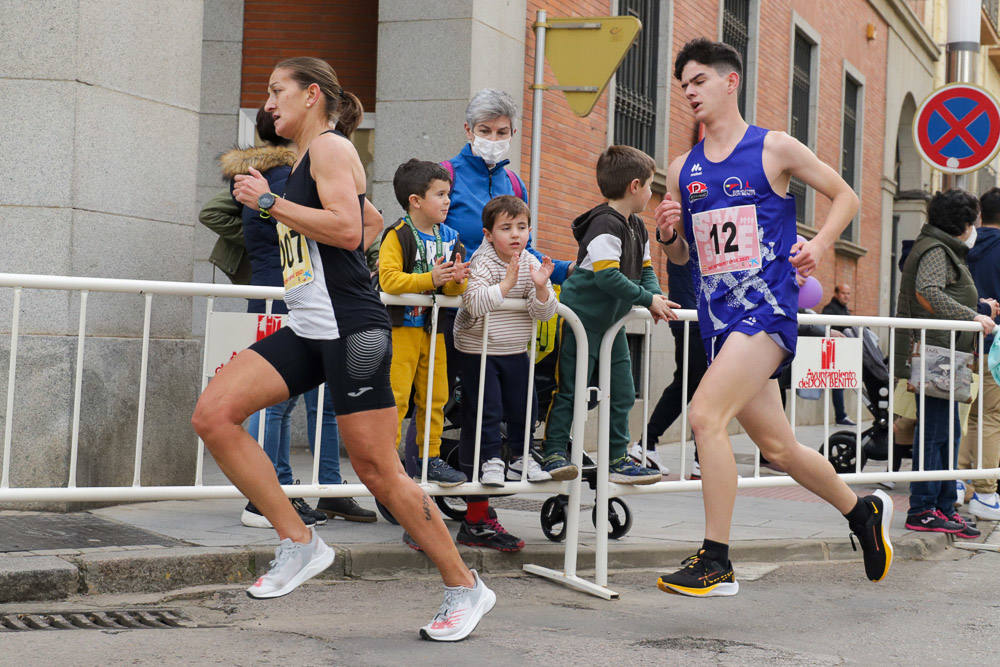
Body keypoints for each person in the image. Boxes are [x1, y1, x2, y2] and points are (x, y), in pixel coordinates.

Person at [192, 57, 494, 641]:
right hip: (309, 325)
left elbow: (351, 231)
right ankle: (299, 542)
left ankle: (466, 587)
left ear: (311, 95)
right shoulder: (309, 158)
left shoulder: (329, 148)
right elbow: (373, 220)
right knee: (215, 415)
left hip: (353, 329)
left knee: (379, 471)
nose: (270, 102)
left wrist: (267, 203)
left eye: (278, 91)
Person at [654, 39, 894, 597]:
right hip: (720, 318)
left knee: (704, 416)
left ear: (729, 81)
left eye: (698, 80)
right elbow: (686, 258)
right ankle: (861, 513)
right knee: (779, 449)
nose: (689, 92)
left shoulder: (774, 148)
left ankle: (715, 558)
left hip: (766, 310)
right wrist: (667, 233)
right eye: (683, 84)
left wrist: (822, 244)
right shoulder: (680, 169)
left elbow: (845, 196)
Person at [209, 107, 374, 527]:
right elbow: (360, 225)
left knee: (316, 405)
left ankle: (316, 490)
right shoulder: (281, 177)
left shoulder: (302, 167)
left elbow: (364, 222)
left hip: (304, 295)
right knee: (280, 404)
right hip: (286, 294)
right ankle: (275, 493)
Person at [541, 145, 675, 485]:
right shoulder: (603, 224)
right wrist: (648, 299)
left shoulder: (638, 227)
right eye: (649, 186)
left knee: (623, 391)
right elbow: (606, 276)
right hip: (580, 321)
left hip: (613, 324)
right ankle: (554, 449)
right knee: (571, 389)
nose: (650, 193)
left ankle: (617, 458)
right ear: (634, 186)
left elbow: (645, 271)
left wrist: (655, 296)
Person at [452, 195, 558, 552]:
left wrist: (541, 288)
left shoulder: (528, 261)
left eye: (522, 227)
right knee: (488, 409)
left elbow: (544, 314)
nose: (516, 235)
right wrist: (507, 286)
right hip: (478, 350)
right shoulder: (482, 262)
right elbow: (475, 302)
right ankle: (491, 460)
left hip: (514, 350)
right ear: (488, 233)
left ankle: (521, 457)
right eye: (506, 228)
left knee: (524, 408)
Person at [894, 190, 995, 540]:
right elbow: (929, 291)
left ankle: (940, 507)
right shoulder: (937, 250)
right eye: (974, 221)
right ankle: (923, 510)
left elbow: (941, 293)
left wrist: (978, 307)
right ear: (963, 224)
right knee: (936, 435)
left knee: (946, 433)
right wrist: (972, 316)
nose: (976, 227)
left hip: (944, 353)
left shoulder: (942, 248)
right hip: (936, 354)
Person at [379, 159, 468, 487]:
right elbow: (388, 280)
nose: (448, 201)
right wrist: (428, 278)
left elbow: (455, 289)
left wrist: (457, 281)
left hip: (435, 331)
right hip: (402, 330)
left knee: (436, 396)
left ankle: (430, 457)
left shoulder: (452, 237)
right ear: (415, 201)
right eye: (441, 194)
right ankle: (388, 459)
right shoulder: (398, 234)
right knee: (398, 396)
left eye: (449, 194)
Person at [629, 257, 704, 477]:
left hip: (697, 319)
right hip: (694, 320)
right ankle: (703, 461)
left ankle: (647, 445)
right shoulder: (688, 236)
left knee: (687, 385)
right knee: (699, 386)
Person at [959, 187, 1000, 521]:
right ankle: (986, 492)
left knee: (970, 417)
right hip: (995, 346)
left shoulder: (964, 243)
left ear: (980, 214)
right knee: (990, 418)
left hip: (960, 342)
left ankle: (960, 482)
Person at [822, 284, 856, 426]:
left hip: (842, 351)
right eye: (843, 293)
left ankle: (841, 415)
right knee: (837, 383)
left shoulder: (845, 310)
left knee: (839, 383)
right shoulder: (830, 310)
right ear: (836, 294)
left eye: (848, 293)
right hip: (831, 351)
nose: (846, 296)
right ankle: (840, 416)